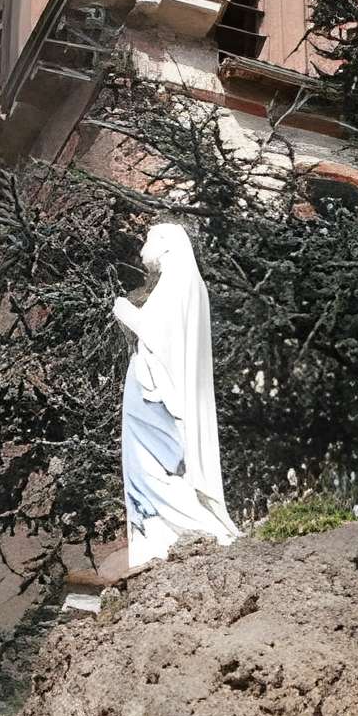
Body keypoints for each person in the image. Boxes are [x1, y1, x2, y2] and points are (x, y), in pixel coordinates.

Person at [113, 221, 240, 566]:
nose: (142, 249)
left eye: (148, 240)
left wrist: (123, 310)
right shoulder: (183, 283)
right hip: (152, 391)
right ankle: (162, 539)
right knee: (146, 471)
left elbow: (159, 337)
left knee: (153, 472)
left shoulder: (178, 281)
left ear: (167, 243)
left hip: (156, 396)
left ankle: (206, 533)